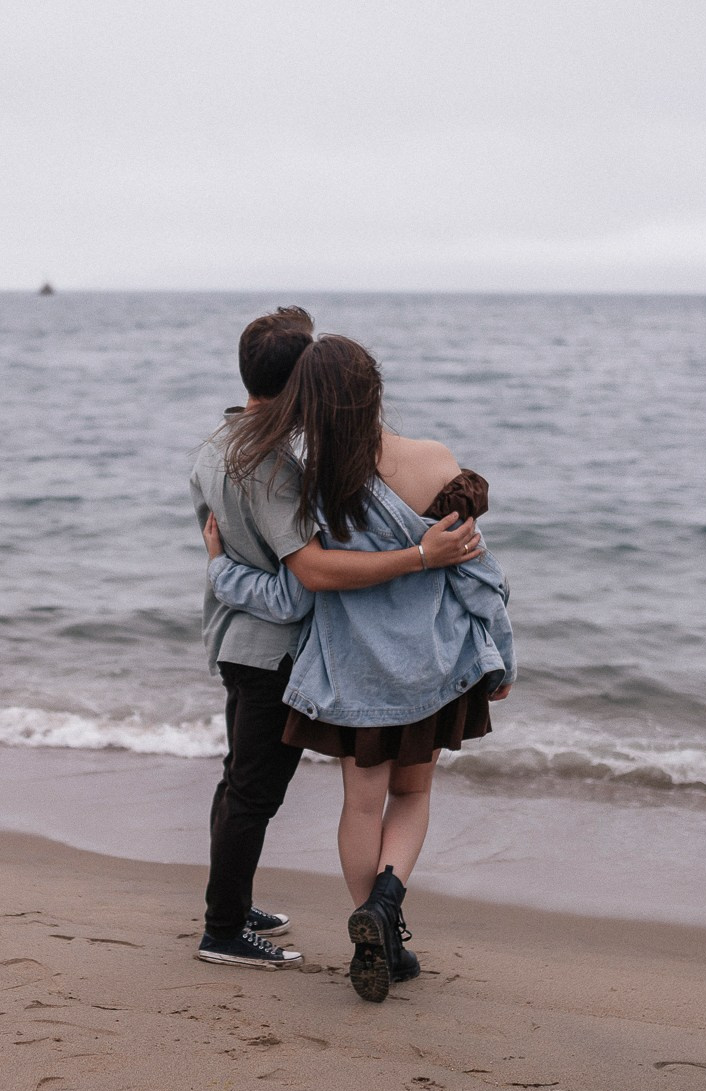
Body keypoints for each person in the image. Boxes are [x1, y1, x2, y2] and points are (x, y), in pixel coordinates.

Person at [204, 333, 514, 1002]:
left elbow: (302, 581)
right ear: (376, 391)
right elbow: (479, 577)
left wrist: (221, 569)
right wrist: (501, 655)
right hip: (430, 667)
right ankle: (386, 906)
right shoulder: (435, 461)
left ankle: (374, 930)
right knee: (414, 796)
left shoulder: (311, 487)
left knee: (361, 803)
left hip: (354, 675)